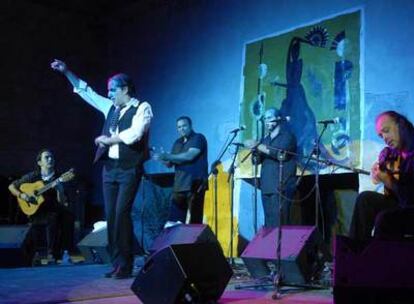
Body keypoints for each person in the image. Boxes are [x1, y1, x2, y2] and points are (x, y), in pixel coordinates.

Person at [51, 59, 153, 279]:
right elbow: (86, 92)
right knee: (112, 216)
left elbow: (135, 134)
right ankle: (117, 263)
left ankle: (126, 264)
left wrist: (109, 140)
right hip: (110, 168)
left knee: (122, 213)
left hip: (129, 168)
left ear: (125, 89)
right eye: (108, 91)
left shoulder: (141, 107)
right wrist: (67, 71)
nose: (109, 95)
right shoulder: (111, 109)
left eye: (113, 90)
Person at [349, 111, 414, 241]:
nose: (384, 138)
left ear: (401, 124)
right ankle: (356, 252)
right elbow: (380, 179)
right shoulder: (393, 154)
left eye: (386, 130)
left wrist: (388, 180)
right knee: (365, 199)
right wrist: (377, 174)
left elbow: (409, 199)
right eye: (381, 135)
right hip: (401, 205)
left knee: (385, 218)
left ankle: (378, 258)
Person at [8, 149, 75, 263]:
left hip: (53, 211)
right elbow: (11, 187)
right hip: (35, 212)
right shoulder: (33, 176)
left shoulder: (59, 177)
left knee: (55, 217)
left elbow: (62, 203)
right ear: (39, 162)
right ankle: (28, 257)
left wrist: (60, 190)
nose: (50, 159)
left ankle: (52, 254)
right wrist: (22, 195)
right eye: (47, 157)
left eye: (52, 157)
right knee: (27, 245)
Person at [244, 107, 297, 228]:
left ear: (278, 119)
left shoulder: (287, 136)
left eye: (269, 118)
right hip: (266, 186)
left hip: (282, 185)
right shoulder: (265, 139)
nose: (266, 121)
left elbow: (279, 154)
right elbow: (256, 161)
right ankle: (271, 246)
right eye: (265, 118)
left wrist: (257, 144)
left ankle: (282, 247)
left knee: (280, 222)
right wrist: (255, 151)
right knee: (269, 222)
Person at [155, 116, 208, 226]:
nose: (182, 129)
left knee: (195, 222)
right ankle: (176, 242)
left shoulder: (198, 138)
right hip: (179, 186)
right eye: (179, 127)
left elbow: (189, 156)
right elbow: (170, 164)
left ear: (190, 126)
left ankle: (193, 243)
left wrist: (168, 156)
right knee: (174, 222)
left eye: (184, 126)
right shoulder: (177, 142)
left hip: (195, 184)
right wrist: (161, 158)